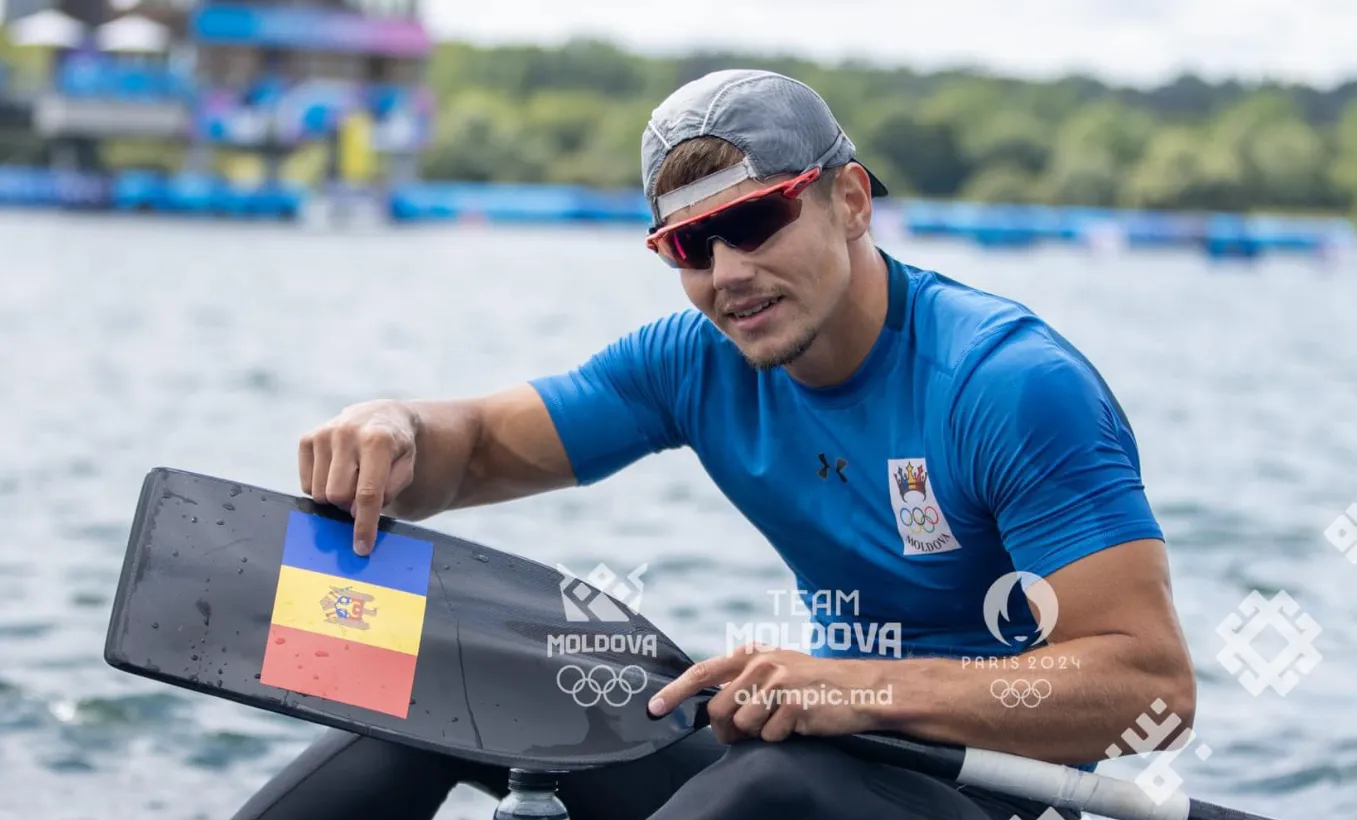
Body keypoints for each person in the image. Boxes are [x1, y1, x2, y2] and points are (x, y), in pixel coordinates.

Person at [231, 69, 1197, 820]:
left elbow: (1148, 690)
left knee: (765, 787)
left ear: (849, 201)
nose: (728, 273)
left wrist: (861, 689)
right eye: (691, 247)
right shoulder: (695, 360)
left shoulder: (1005, 384)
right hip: (818, 753)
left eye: (754, 221)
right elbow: (477, 447)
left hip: (991, 790)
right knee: (445, 685)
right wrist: (397, 428)